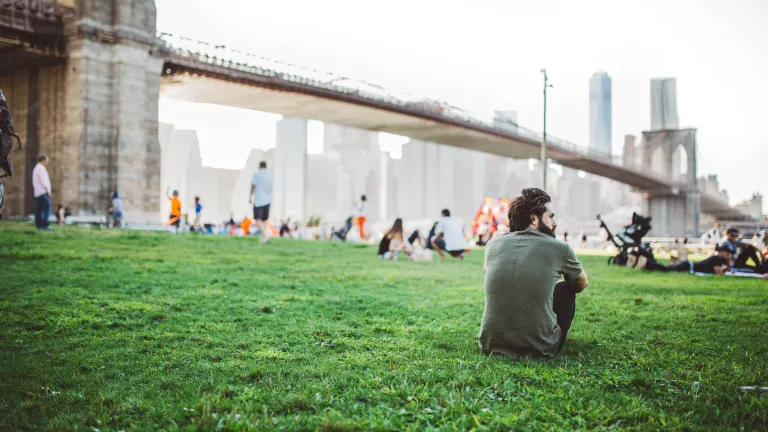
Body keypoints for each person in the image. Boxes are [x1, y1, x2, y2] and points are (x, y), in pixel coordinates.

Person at [479, 188, 588, 358]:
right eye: (551, 216)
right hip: (539, 347)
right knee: (566, 288)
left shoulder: (492, 244)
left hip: (490, 343)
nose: (555, 223)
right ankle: (545, 336)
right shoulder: (559, 248)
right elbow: (581, 284)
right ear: (533, 217)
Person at [663, 246, 733, 275]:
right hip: (688, 266)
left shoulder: (717, 258)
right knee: (665, 270)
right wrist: (728, 266)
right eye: (727, 254)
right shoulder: (717, 259)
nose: (728, 256)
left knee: (666, 269)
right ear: (721, 252)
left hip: (688, 265)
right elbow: (719, 273)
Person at [249, 161, 273, 244]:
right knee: (263, 220)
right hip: (268, 199)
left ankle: (265, 234)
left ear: (259, 166)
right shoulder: (270, 176)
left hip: (259, 200)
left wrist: (250, 196)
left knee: (257, 219)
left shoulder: (256, 175)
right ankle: (263, 239)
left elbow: (253, 185)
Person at [32, 155, 53, 230]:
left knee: (39, 209)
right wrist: (47, 190)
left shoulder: (36, 168)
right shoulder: (41, 168)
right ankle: (44, 225)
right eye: (47, 161)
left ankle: (39, 225)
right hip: (42, 192)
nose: (47, 162)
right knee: (47, 207)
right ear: (43, 160)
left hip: (38, 192)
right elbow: (43, 181)